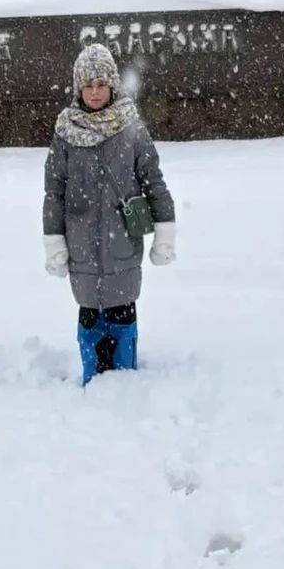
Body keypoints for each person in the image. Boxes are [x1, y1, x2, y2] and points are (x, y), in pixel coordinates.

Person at [42, 42, 176, 384]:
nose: (95, 92)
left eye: (101, 84)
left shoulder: (132, 127)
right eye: (88, 84)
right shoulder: (65, 132)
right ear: (78, 88)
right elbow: (54, 192)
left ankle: (124, 382)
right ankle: (93, 379)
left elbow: (153, 180)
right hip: (81, 245)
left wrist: (165, 231)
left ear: (113, 85)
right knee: (89, 314)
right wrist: (54, 242)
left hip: (123, 242)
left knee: (122, 311)